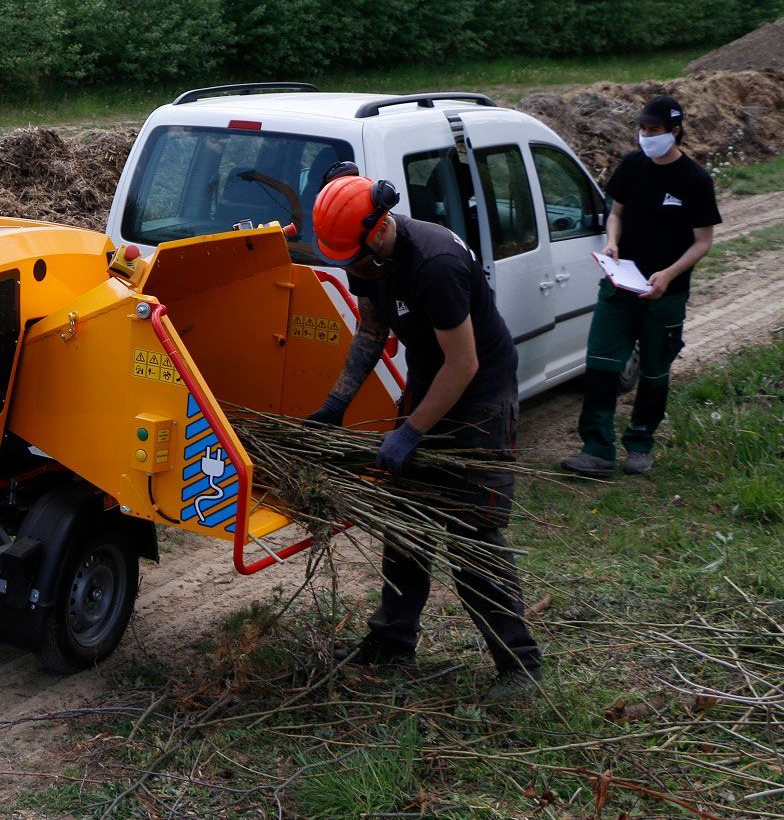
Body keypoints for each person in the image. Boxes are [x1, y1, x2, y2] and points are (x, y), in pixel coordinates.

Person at [305, 168, 543, 698]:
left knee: (472, 535)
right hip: (428, 386)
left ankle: (518, 663)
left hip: (479, 397)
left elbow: (463, 364)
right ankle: (392, 640)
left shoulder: (435, 263)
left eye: (357, 259)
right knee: (405, 525)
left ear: (381, 226)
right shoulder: (365, 255)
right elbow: (371, 328)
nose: (354, 270)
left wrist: (410, 433)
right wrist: (336, 403)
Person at [562, 95, 720, 478]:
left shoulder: (695, 180)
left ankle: (640, 443)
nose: (646, 135)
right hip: (620, 287)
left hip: (666, 293)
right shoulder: (632, 165)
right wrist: (611, 242)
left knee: (653, 371)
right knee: (600, 365)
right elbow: (615, 214)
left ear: (675, 131)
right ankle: (597, 450)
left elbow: (703, 241)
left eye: (654, 130)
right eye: (643, 128)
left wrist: (667, 274)